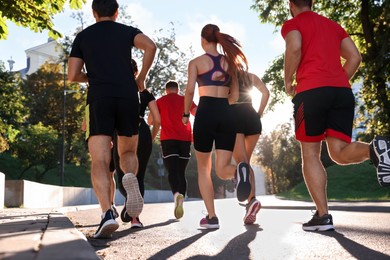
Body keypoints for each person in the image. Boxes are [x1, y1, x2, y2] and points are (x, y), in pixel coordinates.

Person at [281, 0, 390, 232]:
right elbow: (355, 57)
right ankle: (375, 149)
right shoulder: (332, 25)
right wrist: (338, 82)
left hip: (310, 93)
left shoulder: (292, 24)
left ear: (291, 4)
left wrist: (288, 79)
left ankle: (322, 216)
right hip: (341, 93)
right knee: (338, 153)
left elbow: (294, 47)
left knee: (310, 154)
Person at [68, 0, 156, 239]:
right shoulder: (126, 31)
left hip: (99, 98)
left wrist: (92, 76)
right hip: (128, 97)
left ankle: (107, 213)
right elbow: (150, 46)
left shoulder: (83, 37)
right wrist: (141, 79)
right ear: (117, 12)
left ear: (94, 12)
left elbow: (72, 75)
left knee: (100, 158)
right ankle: (129, 177)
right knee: (128, 153)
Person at [183, 23, 254, 229]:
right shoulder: (228, 62)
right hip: (226, 113)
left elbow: (189, 91)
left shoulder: (196, 62)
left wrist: (186, 114)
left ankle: (212, 218)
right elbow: (234, 95)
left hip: (205, 113)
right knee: (223, 169)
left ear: (203, 40)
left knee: (204, 169)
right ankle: (238, 172)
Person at [114, 59, 161, 228]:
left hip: (122, 131)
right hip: (142, 130)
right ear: (136, 72)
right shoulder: (145, 92)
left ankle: (129, 203)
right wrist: (151, 137)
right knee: (138, 175)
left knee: (123, 174)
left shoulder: (117, 89)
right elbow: (157, 119)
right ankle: (135, 218)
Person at [152, 80, 197, 220]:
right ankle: (181, 202)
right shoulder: (186, 100)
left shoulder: (160, 101)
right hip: (185, 139)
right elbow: (198, 114)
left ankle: (176, 194)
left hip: (168, 140)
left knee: (172, 171)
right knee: (181, 172)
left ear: (166, 90)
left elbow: (151, 121)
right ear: (177, 90)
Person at [232, 71, 270, 225]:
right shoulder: (251, 76)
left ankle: (252, 199)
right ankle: (250, 203)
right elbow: (266, 93)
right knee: (246, 163)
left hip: (234, 116)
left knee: (242, 163)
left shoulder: (227, 75)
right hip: (252, 117)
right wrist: (258, 114)